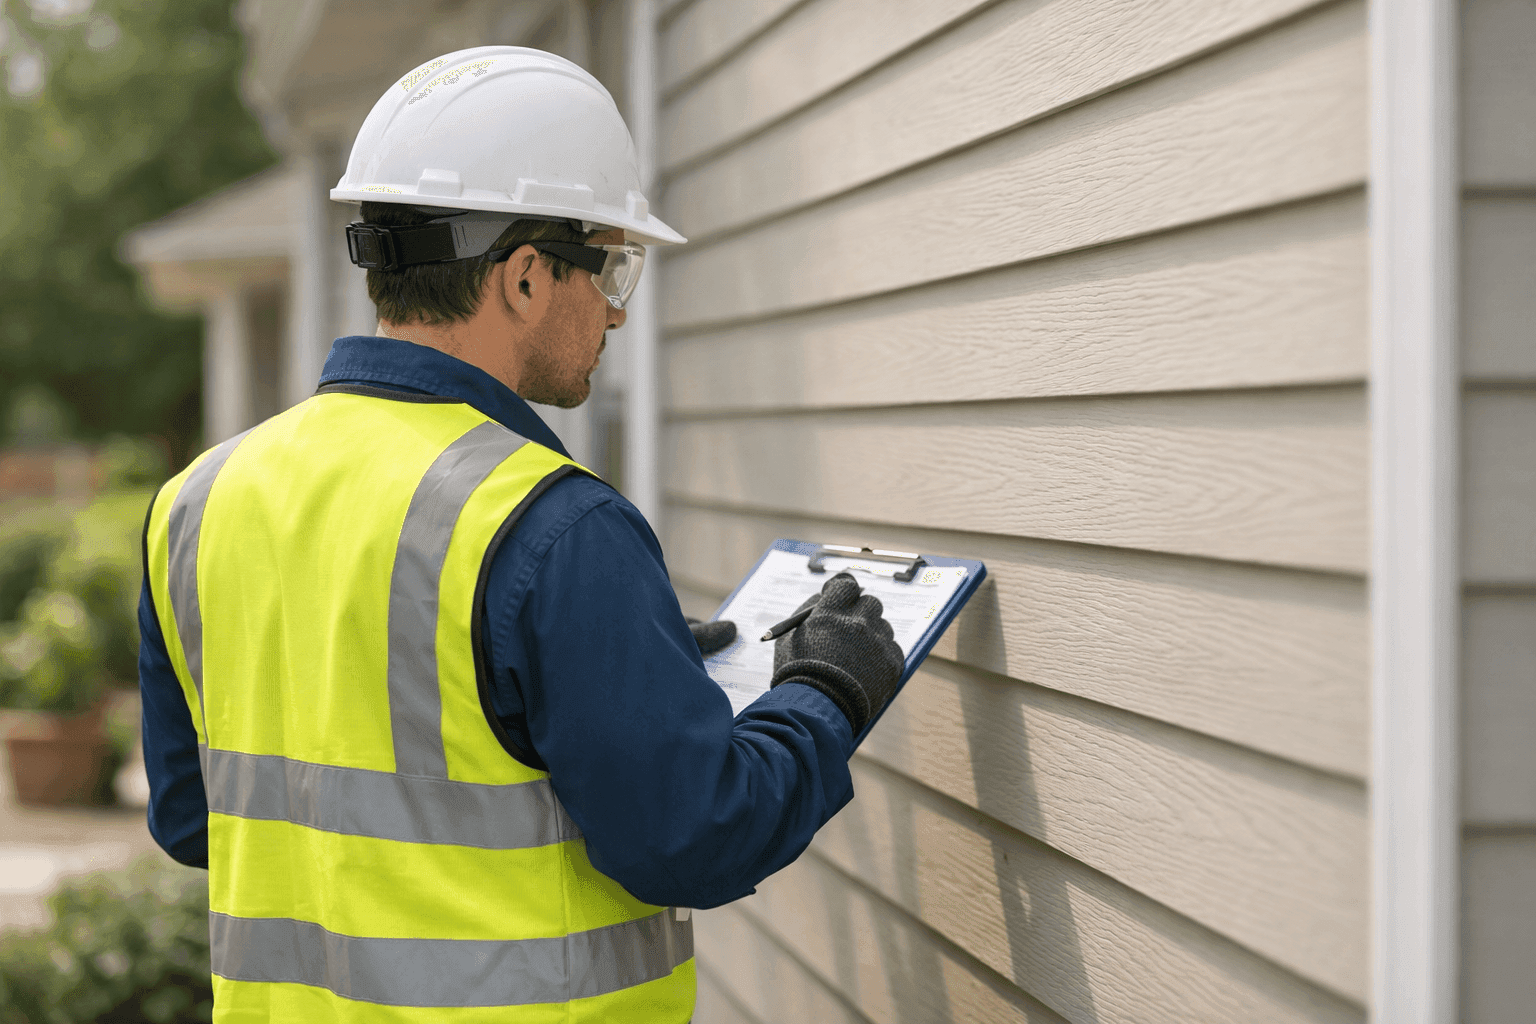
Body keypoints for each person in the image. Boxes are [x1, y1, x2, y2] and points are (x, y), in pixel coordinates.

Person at [137, 46, 903, 1022]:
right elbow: (696, 838)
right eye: (612, 266)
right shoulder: (554, 526)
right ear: (530, 276)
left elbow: (196, 818)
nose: (619, 312)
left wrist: (611, 678)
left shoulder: (197, 501)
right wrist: (826, 692)